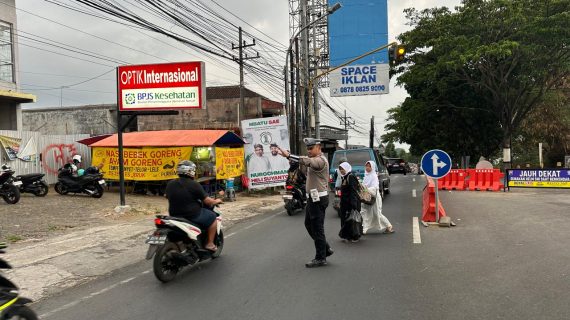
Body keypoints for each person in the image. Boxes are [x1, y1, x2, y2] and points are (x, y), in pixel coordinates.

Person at [278, 138, 333, 268]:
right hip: (312, 199)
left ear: (318, 147)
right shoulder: (313, 160)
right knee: (308, 224)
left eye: (311, 148)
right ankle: (325, 248)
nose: (308, 150)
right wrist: (288, 157)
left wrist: (290, 155)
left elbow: (306, 161)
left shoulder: (320, 160)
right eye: (307, 148)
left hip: (318, 199)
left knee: (317, 228)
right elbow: (301, 162)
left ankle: (321, 257)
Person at [165, 160, 222, 252]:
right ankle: (210, 244)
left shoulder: (170, 183)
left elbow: (167, 197)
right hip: (192, 215)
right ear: (191, 171)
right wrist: (216, 201)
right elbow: (208, 201)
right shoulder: (194, 184)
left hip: (174, 215)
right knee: (213, 218)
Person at [361, 161, 394, 234]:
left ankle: (389, 226)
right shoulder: (366, 175)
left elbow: (375, 188)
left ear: (372, 167)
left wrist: (366, 189)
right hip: (366, 197)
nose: (367, 168)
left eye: (369, 166)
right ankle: (364, 229)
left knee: (377, 214)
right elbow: (364, 185)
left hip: (374, 197)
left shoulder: (374, 176)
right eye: (366, 166)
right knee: (364, 212)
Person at [338, 162, 362, 242]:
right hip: (345, 203)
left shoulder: (351, 177)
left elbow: (353, 191)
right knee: (346, 220)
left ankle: (354, 236)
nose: (341, 170)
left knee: (352, 220)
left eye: (343, 169)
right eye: (340, 169)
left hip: (351, 203)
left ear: (347, 168)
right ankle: (347, 236)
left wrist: (353, 205)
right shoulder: (344, 177)